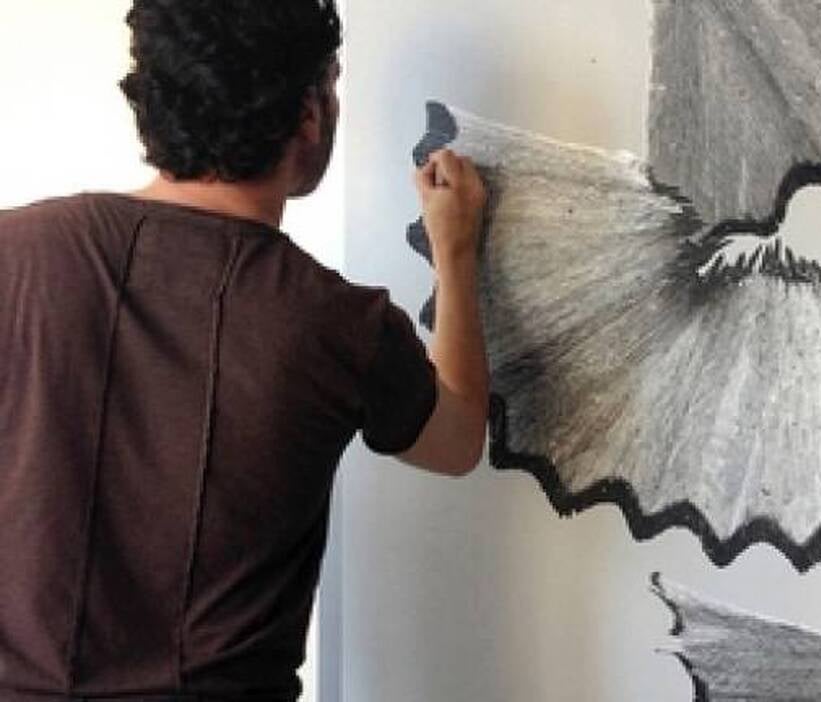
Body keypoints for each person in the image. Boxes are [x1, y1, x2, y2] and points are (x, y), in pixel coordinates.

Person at [0, 1, 488, 699]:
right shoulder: (334, 322)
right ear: (310, 113)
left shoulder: (17, 253)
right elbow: (458, 438)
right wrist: (456, 253)